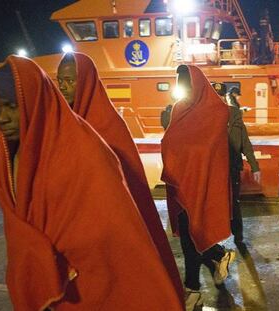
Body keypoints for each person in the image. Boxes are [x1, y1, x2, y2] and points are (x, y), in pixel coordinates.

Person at [0, 55, 184, 310]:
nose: (1, 117)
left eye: (10, 106)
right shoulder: (10, 154)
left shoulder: (88, 143)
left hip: (87, 273)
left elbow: (110, 223)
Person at [56, 52, 183, 300]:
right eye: (60, 81)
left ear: (86, 82)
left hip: (107, 233)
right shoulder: (61, 124)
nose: (63, 87)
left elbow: (128, 187)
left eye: (70, 81)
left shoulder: (108, 125)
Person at [162, 66, 235, 311]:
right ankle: (218, 255)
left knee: (193, 238)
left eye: (189, 83)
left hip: (204, 184)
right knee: (188, 239)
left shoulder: (216, 112)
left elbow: (212, 153)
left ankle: (192, 290)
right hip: (181, 183)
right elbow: (170, 142)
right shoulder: (179, 108)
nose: (186, 88)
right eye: (182, 83)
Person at [225, 87, 260, 250]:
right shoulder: (206, 117)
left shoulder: (235, 114)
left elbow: (245, 143)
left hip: (232, 168)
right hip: (214, 170)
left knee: (234, 203)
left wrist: (255, 166)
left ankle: (238, 236)